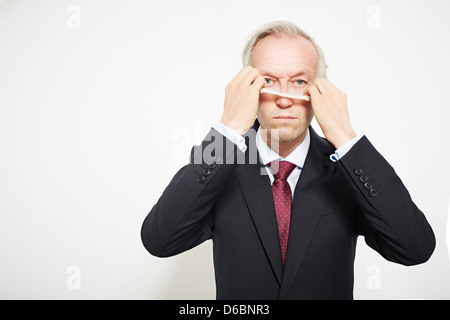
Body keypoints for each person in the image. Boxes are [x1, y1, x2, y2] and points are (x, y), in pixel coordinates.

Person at [141, 20, 435, 300]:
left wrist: (345, 136)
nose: (283, 99)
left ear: (320, 90)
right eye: (267, 80)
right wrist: (228, 127)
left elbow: (415, 248)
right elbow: (159, 240)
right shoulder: (220, 161)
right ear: (248, 89)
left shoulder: (347, 168)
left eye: (298, 81)